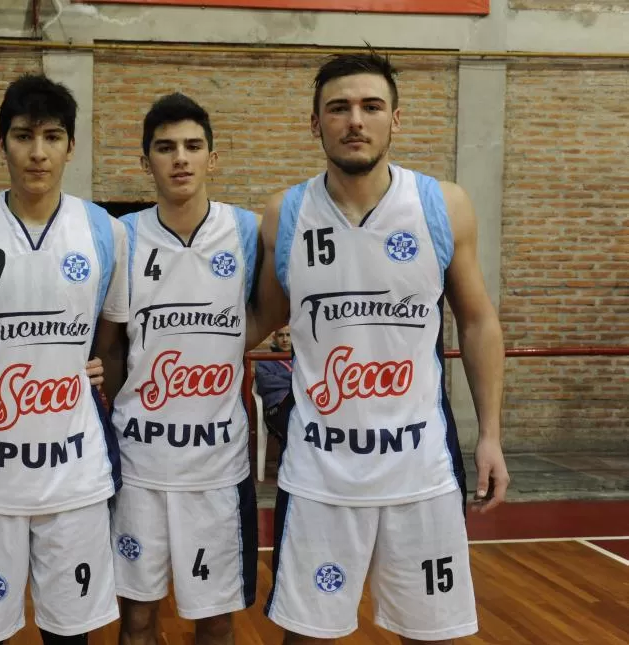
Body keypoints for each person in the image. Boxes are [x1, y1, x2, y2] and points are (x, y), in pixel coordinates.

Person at [250, 51, 511, 644]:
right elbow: (263, 316)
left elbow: (478, 324)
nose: (355, 121)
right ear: (315, 124)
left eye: (371, 106)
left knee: (434, 636)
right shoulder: (283, 215)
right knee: (305, 636)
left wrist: (491, 435)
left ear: (397, 118)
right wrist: (153, 345)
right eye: (338, 108)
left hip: (419, 468)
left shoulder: (443, 205)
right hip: (320, 473)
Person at [0, 73, 127, 645]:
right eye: (22, 136)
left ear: (70, 145)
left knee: (71, 634)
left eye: (52, 136)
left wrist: (94, 372)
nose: (37, 152)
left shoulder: (105, 232)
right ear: (1, 143)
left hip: (75, 475)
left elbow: (109, 344)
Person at [97, 92, 258, 645]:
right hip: (140, 461)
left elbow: (270, 313)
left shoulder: (248, 233)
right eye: (165, 148)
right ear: (147, 162)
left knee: (214, 619)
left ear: (213, 157)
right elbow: (112, 346)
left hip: (217, 466)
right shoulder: (122, 237)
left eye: (193, 146)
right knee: (137, 618)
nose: (180, 159)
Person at [253, 325, 294, 444]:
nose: (285, 339)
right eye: (281, 335)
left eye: (288, 335)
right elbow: (265, 383)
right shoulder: (265, 360)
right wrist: (293, 377)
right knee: (294, 427)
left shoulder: (301, 359)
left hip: (299, 407)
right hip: (276, 409)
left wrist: (279, 376)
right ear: (274, 338)